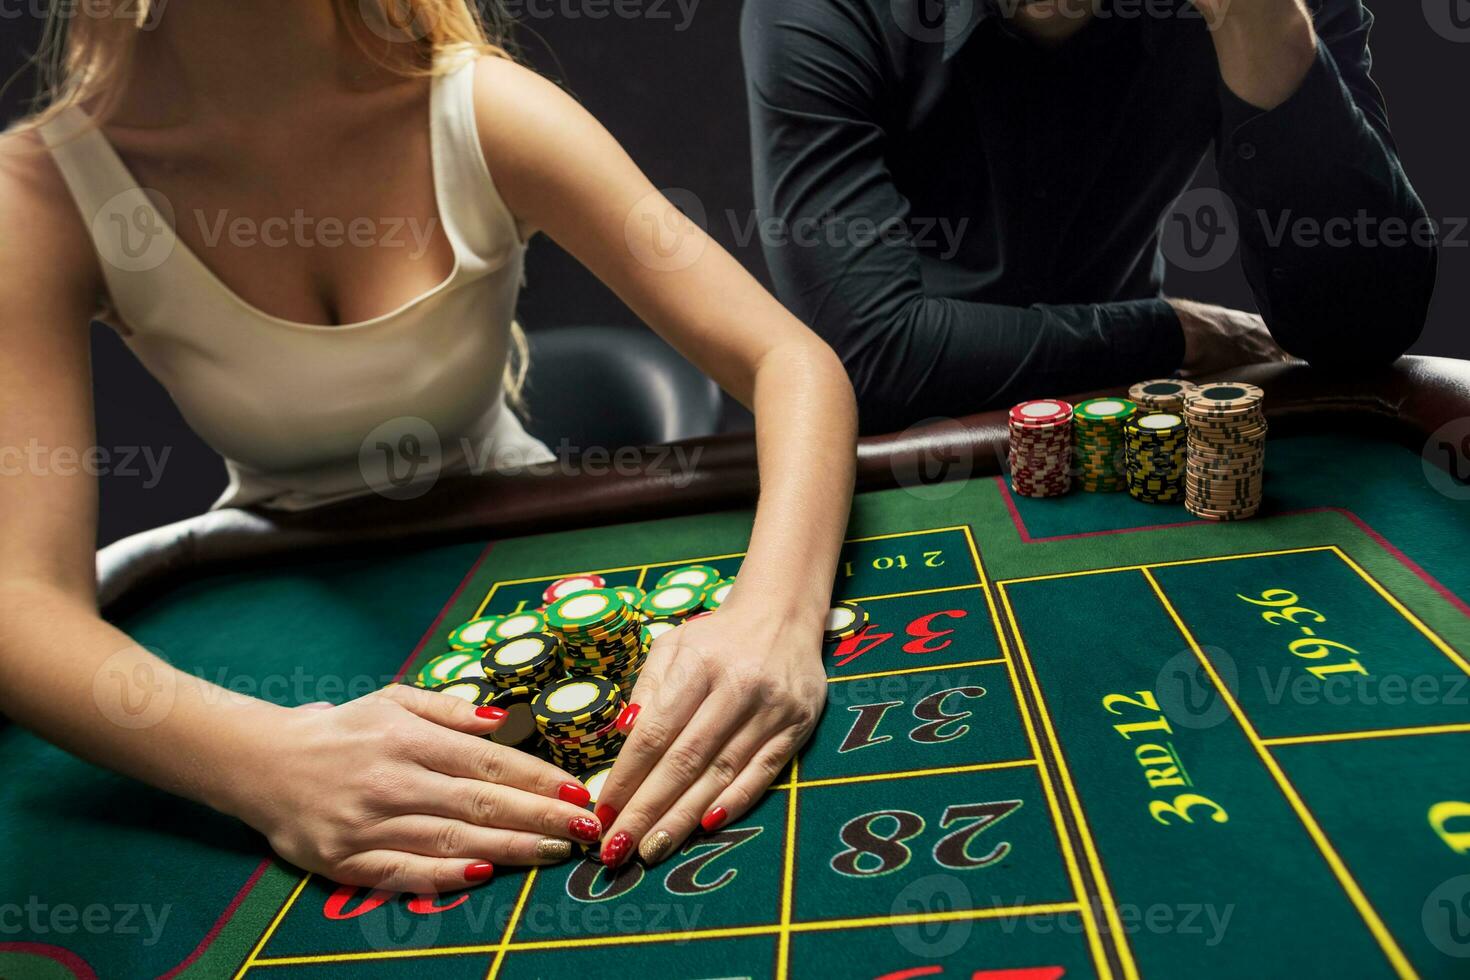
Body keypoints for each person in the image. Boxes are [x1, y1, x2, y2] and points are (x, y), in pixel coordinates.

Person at [0, 0, 856, 892]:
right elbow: (20, 604)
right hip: (277, 582)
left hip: (530, 555)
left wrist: (773, 622)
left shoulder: (481, 108)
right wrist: (271, 765)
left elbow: (788, 360)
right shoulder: (42, 189)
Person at [741, 0, 1439, 434]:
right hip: (893, 458)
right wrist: (1179, 331)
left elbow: (1360, 333)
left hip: (1136, 421)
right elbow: (879, 359)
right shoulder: (823, 7)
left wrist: (1259, 22)